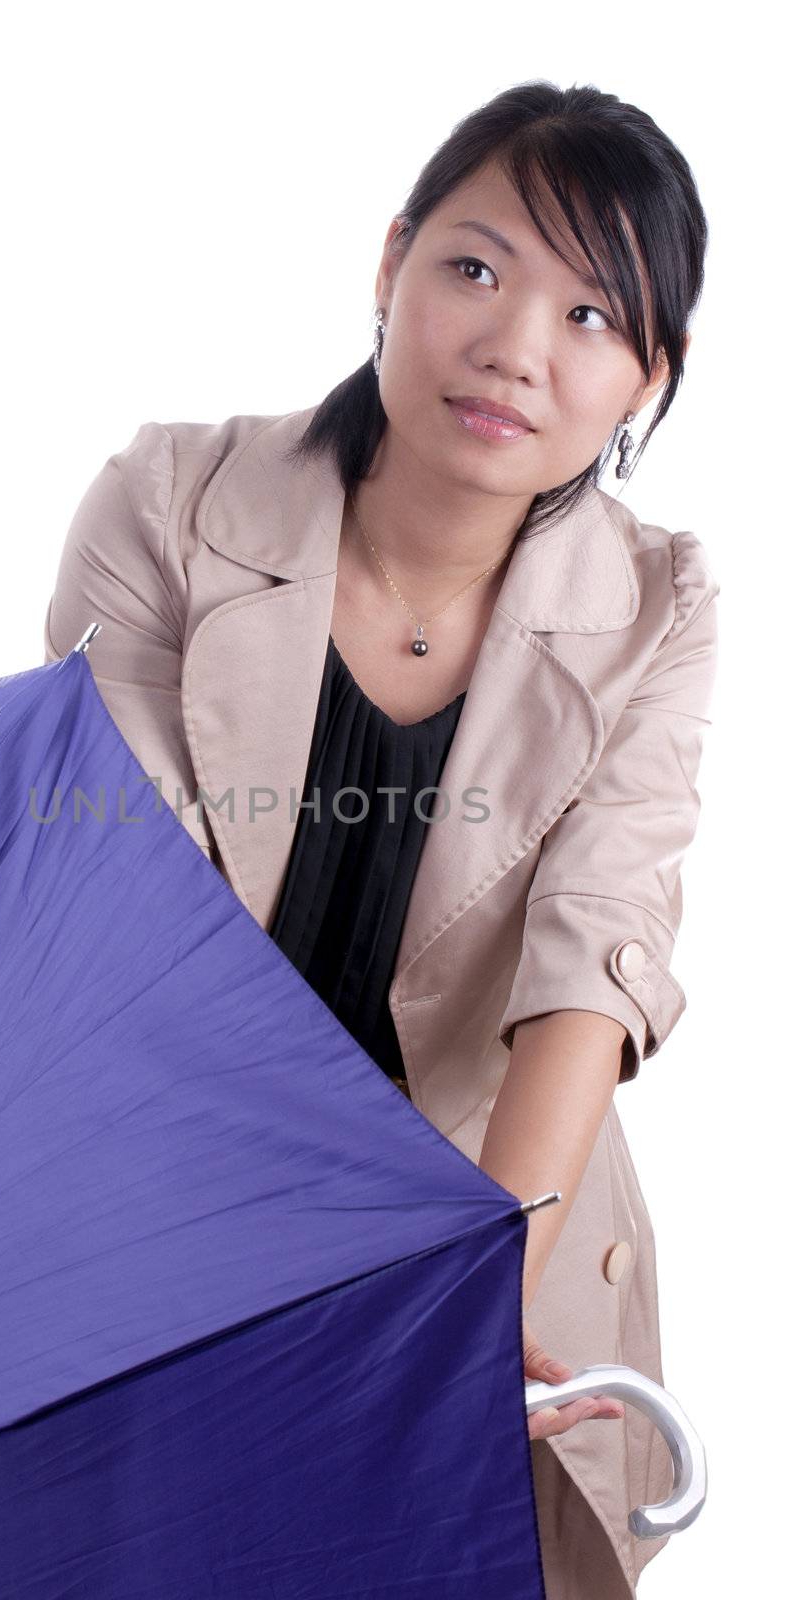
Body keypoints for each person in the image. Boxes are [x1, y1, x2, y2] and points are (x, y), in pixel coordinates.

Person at [43, 80, 719, 1599]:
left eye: (591, 317)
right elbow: (113, 906)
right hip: (172, 1189)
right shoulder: (169, 503)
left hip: (483, 1219)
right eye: (474, 269)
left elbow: (590, 961)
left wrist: (477, 1289)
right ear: (391, 263)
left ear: (644, 377)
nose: (513, 348)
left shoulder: (661, 609)